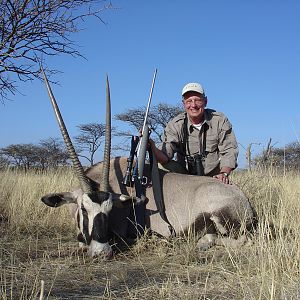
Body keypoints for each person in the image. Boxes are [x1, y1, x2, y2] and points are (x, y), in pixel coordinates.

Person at [150, 82, 238, 184]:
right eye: (189, 101)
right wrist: (151, 146)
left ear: (205, 101)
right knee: (161, 165)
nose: (193, 105)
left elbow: (229, 150)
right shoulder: (175, 124)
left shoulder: (219, 120)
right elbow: (165, 157)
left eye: (197, 100)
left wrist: (224, 173)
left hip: (213, 177)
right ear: (183, 104)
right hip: (185, 176)